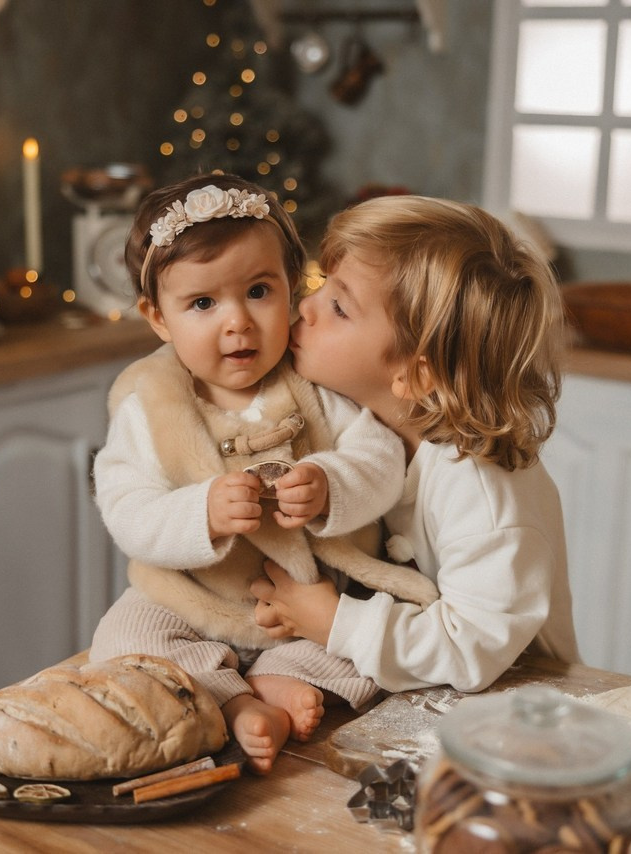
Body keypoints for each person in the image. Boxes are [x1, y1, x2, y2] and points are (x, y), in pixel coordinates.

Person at [89, 174, 435, 774]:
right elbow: (127, 508)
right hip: (196, 598)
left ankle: (277, 684)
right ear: (158, 318)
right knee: (122, 639)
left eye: (257, 291)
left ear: (293, 287)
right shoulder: (150, 403)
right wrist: (200, 512)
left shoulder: (315, 380)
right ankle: (234, 697)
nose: (237, 323)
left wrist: (330, 484)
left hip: (308, 598)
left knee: (367, 645)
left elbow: (379, 456)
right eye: (202, 303)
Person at [251, 195, 580, 694]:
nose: (307, 305)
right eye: (320, 283)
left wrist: (331, 621)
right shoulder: (358, 420)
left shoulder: (480, 488)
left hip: (519, 706)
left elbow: (470, 647)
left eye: (339, 306)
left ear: (415, 374)